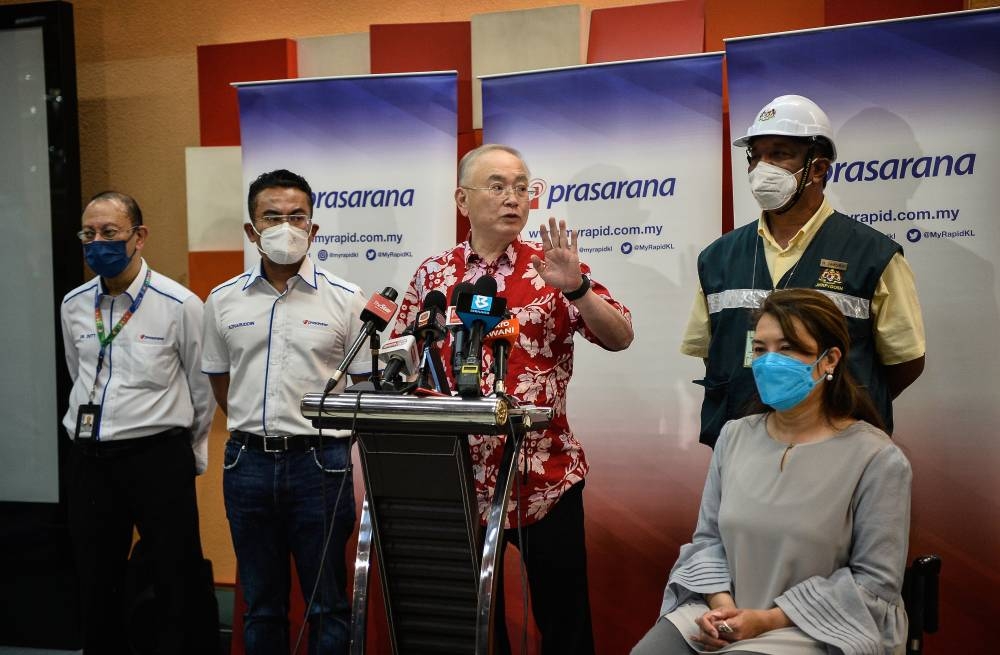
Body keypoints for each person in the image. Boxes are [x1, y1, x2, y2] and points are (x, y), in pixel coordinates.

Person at [393, 144, 634, 654]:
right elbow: (403, 359)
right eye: (498, 186)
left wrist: (578, 289)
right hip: (455, 477)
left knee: (564, 624)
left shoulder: (554, 269)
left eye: (522, 187)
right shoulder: (434, 275)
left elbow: (620, 336)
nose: (513, 198)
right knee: (473, 627)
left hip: (544, 475)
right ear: (463, 199)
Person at [633, 288, 911, 655]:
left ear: (830, 360)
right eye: (760, 349)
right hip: (727, 612)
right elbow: (707, 542)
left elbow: (874, 584)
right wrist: (723, 609)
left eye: (787, 348)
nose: (769, 362)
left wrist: (767, 620)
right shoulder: (734, 436)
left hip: (818, 626)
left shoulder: (876, 458)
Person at [682, 94, 925, 448]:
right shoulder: (718, 256)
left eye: (779, 154)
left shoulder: (874, 255)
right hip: (742, 442)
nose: (761, 168)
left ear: (818, 168)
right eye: (755, 156)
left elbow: (905, 362)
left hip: (839, 445)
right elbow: (713, 351)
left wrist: (843, 399)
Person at [201, 169, 369, 655]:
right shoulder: (223, 300)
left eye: (297, 217)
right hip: (246, 464)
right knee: (262, 605)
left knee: (327, 604)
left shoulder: (346, 299)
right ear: (252, 230)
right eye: (271, 217)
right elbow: (220, 379)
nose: (285, 227)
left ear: (313, 229)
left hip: (320, 465)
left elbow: (362, 387)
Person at [60, 191, 215, 653]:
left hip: (157, 458)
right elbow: (79, 372)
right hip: (90, 458)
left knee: (175, 579)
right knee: (95, 578)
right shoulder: (73, 303)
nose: (97, 243)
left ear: (139, 237)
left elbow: (200, 388)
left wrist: (190, 452)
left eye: (110, 233)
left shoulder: (179, 303)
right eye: (89, 234)